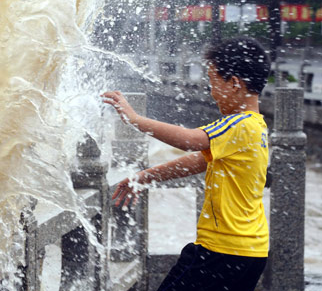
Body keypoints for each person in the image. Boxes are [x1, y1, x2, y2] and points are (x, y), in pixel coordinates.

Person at [101, 36, 271, 291]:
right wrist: (146, 176)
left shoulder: (238, 124)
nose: (212, 93)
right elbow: (198, 160)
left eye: (213, 83)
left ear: (234, 83)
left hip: (223, 251)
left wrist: (134, 119)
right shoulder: (257, 127)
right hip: (250, 252)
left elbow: (191, 141)